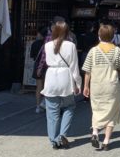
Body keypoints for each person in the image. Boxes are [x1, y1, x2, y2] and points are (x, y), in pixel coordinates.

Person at [83, 24, 120, 151]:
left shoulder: (93, 51)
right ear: (113, 36)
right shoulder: (117, 50)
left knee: (96, 109)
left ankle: (95, 133)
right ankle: (106, 142)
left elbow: (87, 71)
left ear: (99, 35)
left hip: (96, 85)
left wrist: (86, 86)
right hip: (111, 86)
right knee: (112, 112)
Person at [41, 21, 82, 150]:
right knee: (69, 107)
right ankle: (62, 135)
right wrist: (78, 83)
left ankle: (54, 140)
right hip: (66, 77)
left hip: (51, 77)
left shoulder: (47, 45)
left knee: (52, 111)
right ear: (67, 31)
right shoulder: (71, 45)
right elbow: (74, 67)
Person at [31, 26, 48, 113]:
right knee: (47, 86)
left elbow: (32, 56)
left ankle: (37, 107)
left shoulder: (35, 43)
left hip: (37, 65)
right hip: (47, 66)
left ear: (39, 34)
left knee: (39, 87)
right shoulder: (49, 43)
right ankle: (44, 102)